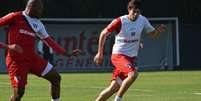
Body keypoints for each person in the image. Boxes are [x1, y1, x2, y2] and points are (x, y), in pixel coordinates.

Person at [0, 0, 80, 101]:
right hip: (16, 62)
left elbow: (50, 42)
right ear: (31, 7)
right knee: (19, 93)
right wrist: (8, 46)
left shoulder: (39, 24)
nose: (41, 11)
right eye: (39, 9)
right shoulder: (15, 17)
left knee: (55, 78)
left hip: (32, 59)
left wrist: (67, 53)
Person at [94, 0, 166, 101]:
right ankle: (118, 99)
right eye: (134, 11)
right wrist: (100, 52)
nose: (136, 14)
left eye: (138, 12)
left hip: (131, 59)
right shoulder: (120, 21)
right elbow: (104, 33)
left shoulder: (142, 20)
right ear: (129, 10)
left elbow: (152, 34)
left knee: (113, 88)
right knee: (133, 74)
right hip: (118, 56)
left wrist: (158, 31)